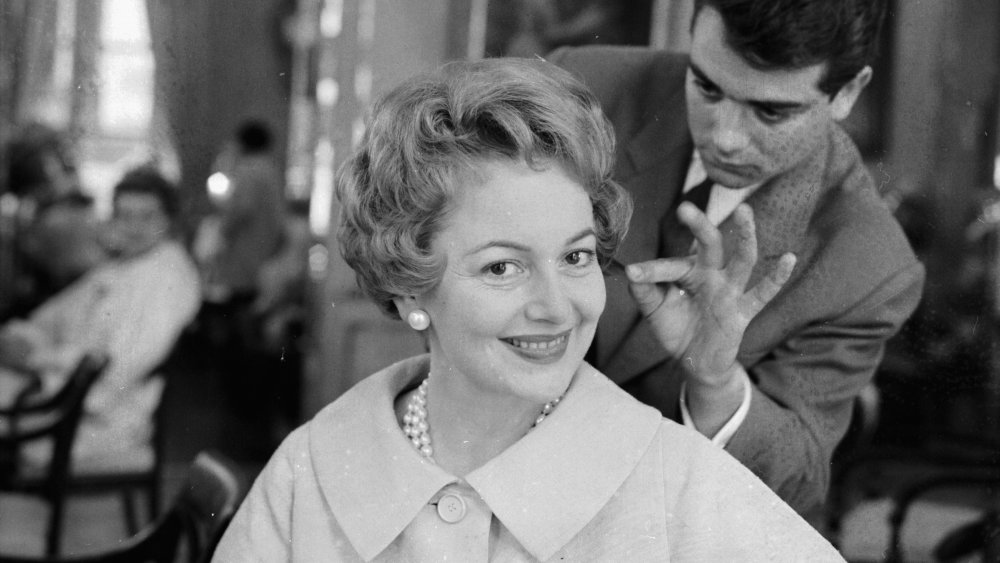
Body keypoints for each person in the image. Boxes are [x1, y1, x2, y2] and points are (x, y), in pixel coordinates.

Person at [214, 58, 843, 561]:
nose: (556, 307)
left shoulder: (674, 482)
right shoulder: (313, 469)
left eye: (575, 258)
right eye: (501, 267)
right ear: (410, 287)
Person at [548, 0, 925, 516]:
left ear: (848, 93)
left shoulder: (869, 263)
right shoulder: (579, 84)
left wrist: (717, 383)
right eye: (706, 87)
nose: (723, 137)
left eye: (771, 111)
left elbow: (800, 480)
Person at [0, 167, 201, 474]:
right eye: (125, 216)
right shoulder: (124, 264)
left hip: (100, 418)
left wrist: (36, 358)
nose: (134, 228)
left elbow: (119, 365)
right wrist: (25, 340)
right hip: (67, 391)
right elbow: (52, 316)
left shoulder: (167, 274)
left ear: (169, 220)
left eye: (147, 217)